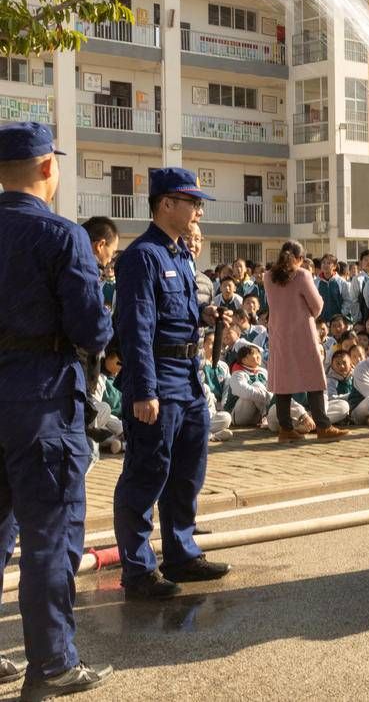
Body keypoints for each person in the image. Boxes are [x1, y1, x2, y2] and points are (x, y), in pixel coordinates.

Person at [0, 121, 115, 697]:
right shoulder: (62, 235)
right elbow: (91, 330)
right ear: (48, 168)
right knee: (49, 533)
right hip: (41, 397)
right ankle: (52, 663)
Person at [113, 167, 232, 602]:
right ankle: (139, 569)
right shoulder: (142, 256)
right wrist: (144, 390)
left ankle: (181, 552)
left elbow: (174, 312)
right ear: (166, 204)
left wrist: (203, 317)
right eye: (192, 202)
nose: (198, 210)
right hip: (158, 379)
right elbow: (136, 327)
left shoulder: (180, 254)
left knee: (187, 472)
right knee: (147, 473)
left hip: (188, 378)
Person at [264, 241, 349, 443]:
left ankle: (285, 428)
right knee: (314, 378)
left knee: (283, 382)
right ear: (300, 258)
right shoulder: (302, 274)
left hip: (278, 333)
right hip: (301, 332)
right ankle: (323, 425)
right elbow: (317, 305)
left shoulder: (268, 276)